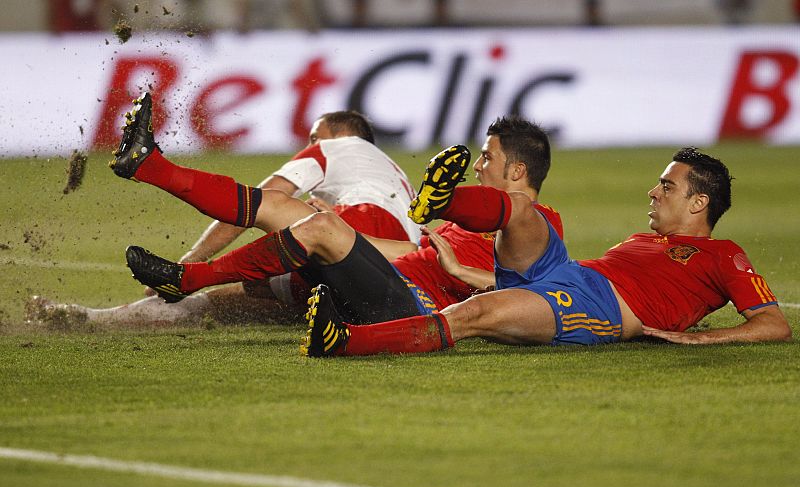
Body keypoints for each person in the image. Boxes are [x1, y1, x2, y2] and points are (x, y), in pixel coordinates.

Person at [104, 92, 563, 336]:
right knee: (286, 229)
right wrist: (349, 237)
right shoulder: (464, 224)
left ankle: (187, 277)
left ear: (518, 170)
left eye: (487, 158)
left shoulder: (542, 224)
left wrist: (461, 270)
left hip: (409, 306)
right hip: (381, 276)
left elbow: (538, 297)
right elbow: (411, 250)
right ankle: (150, 167)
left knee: (298, 219)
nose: (479, 166)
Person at [302, 147, 792, 356]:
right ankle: (441, 201)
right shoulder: (647, 240)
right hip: (566, 276)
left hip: (598, 308)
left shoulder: (723, 253)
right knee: (520, 210)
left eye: (667, 186)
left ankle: (343, 342)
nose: (653, 192)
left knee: (473, 315)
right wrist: (465, 268)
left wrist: (708, 340)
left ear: (699, 202)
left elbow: (774, 324)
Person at [27, 96, 420, 327]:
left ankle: (177, 259)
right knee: (232, 301)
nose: (308, 143)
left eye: (314, 136)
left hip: (353, 246)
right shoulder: (398, 177)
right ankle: (94, 319)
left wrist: (193, 253)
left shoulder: (336, 148)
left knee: (269, 208)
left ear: (335, 134)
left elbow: (257, 204)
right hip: (392, 289)